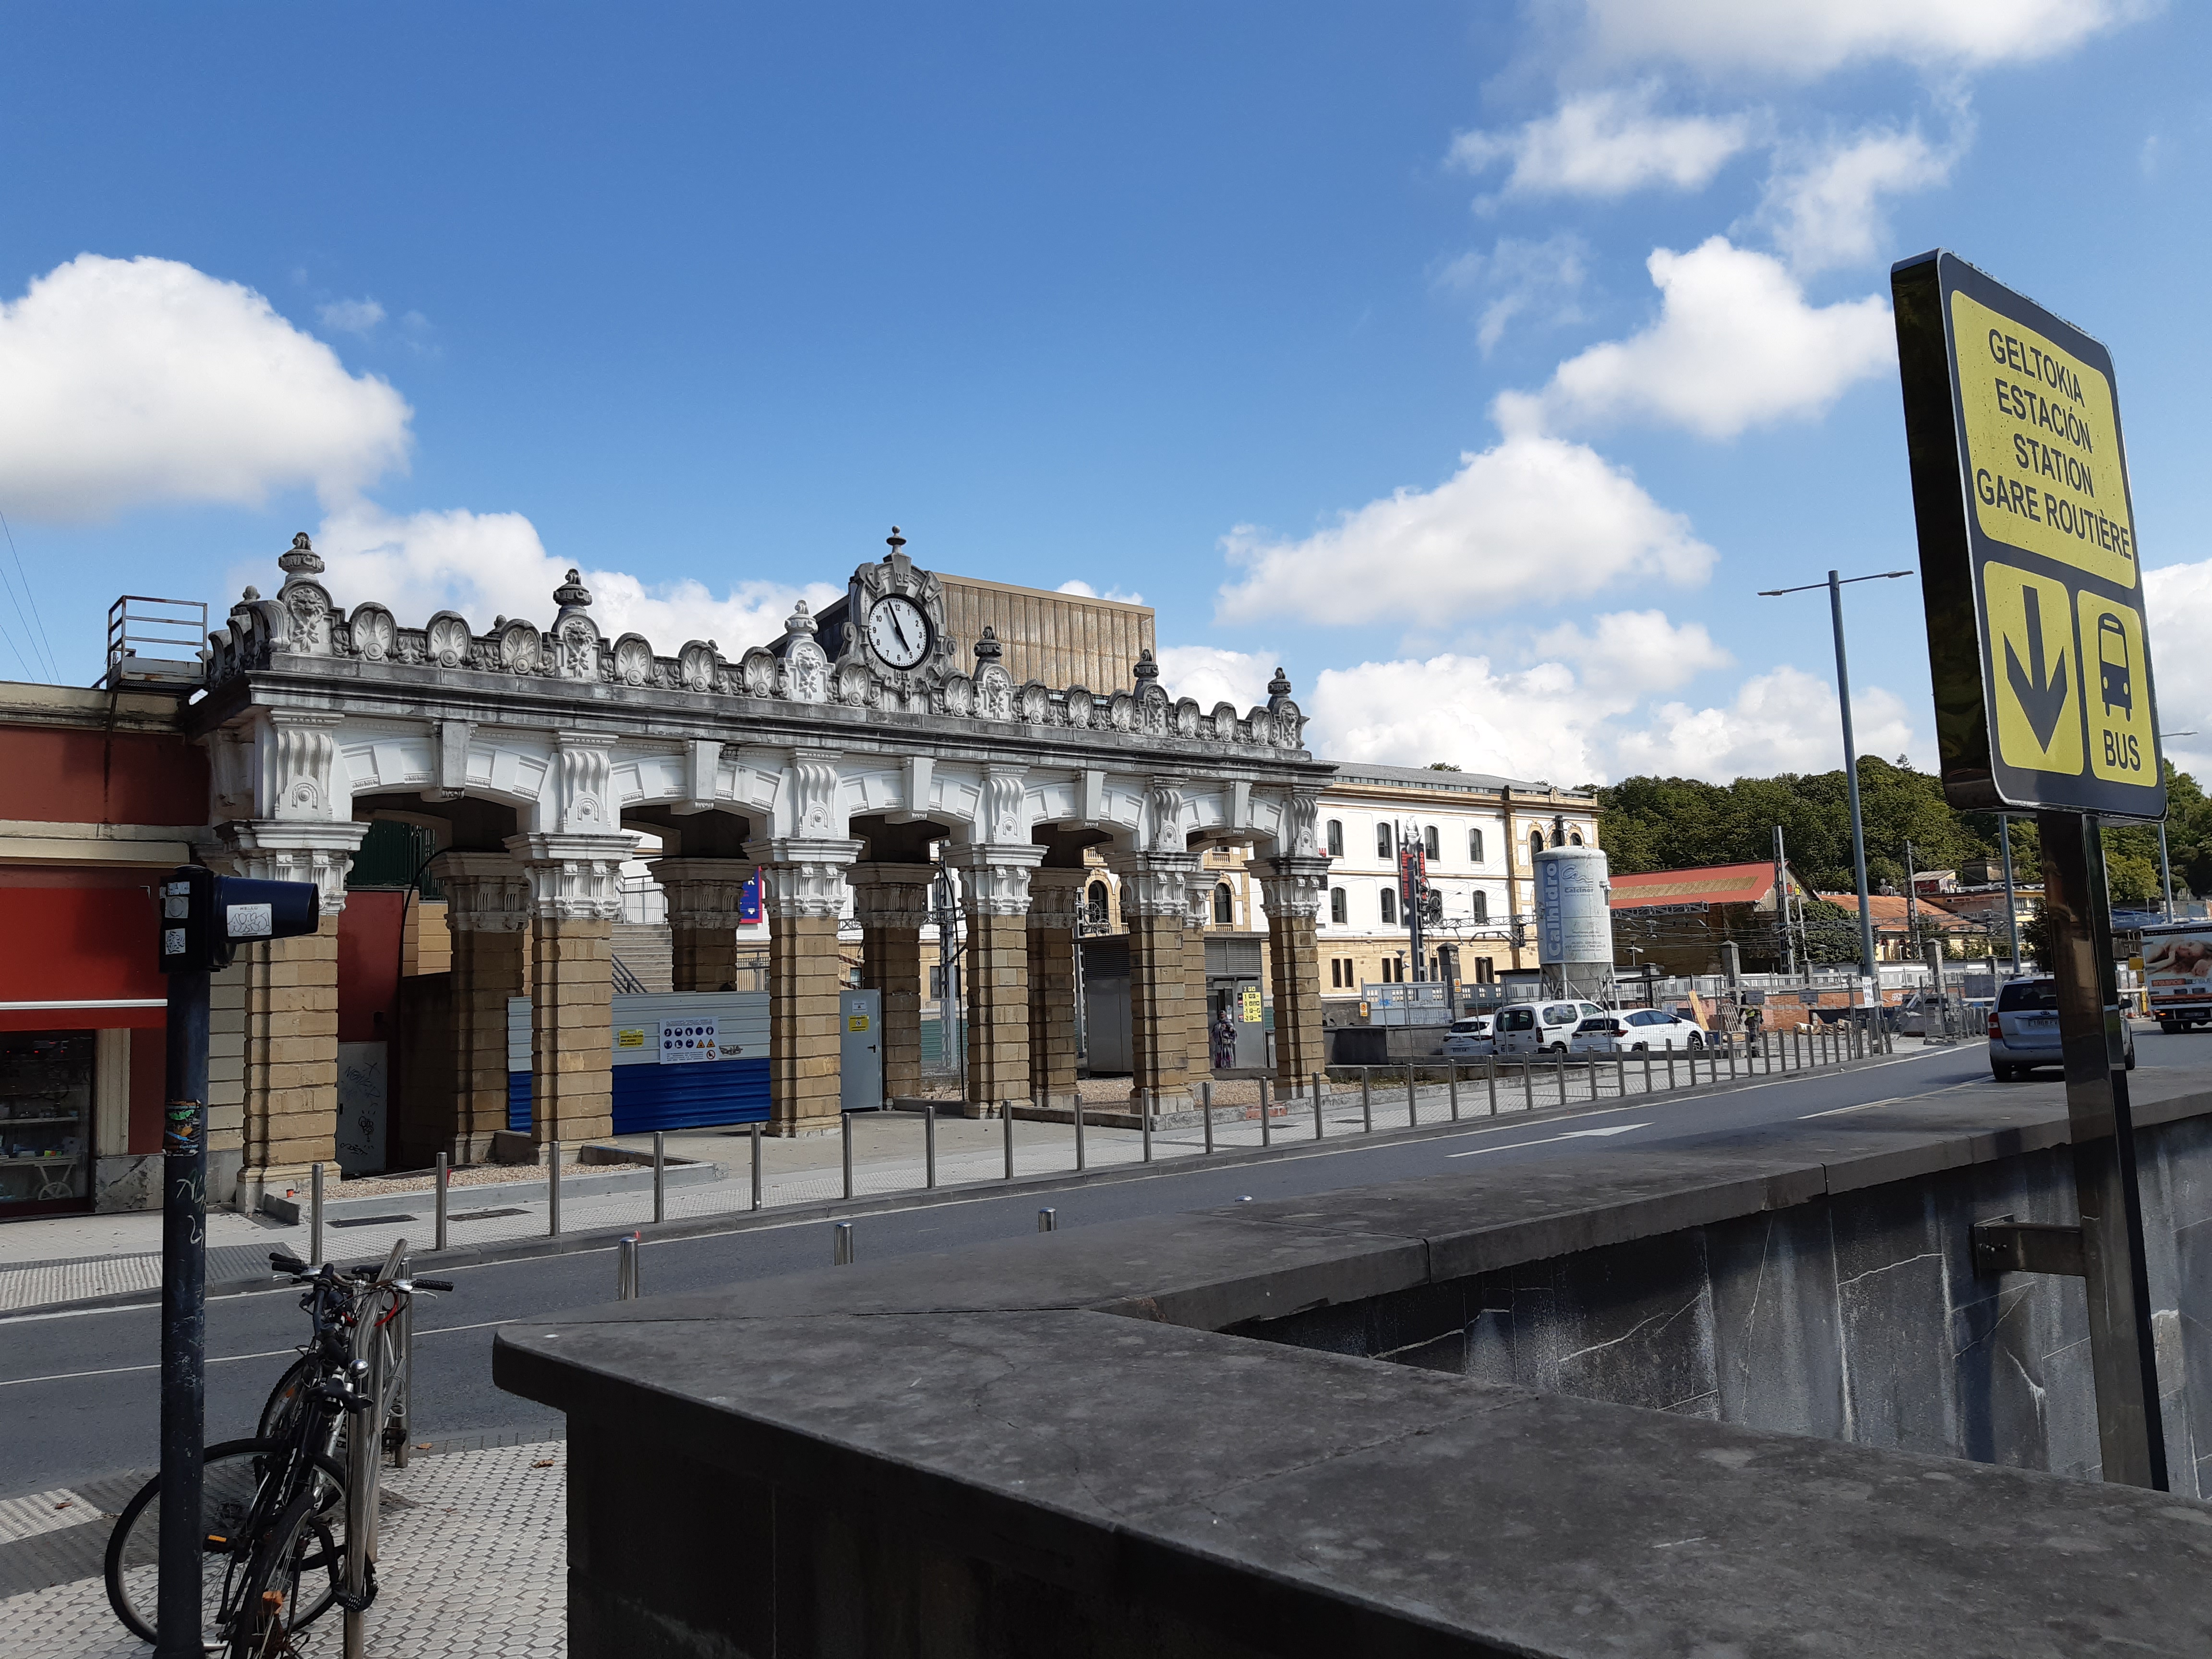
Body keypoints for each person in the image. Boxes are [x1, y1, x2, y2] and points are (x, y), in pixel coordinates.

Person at [1212, 1007, 1238, 1071]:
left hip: (1227, 1044)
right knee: (1218, 1057)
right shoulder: (1217, 1024)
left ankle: (1230, 1070)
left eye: (1223, 1015)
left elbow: (1234, 1031)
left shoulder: (1229, 1023)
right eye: (1220, 1015)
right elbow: (1213, 1032)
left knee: (1228, 1057)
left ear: (1225, 1015)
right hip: (1219, 1044)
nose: (1221, 1016)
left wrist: (1227, 1028)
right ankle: (1219, 1070)